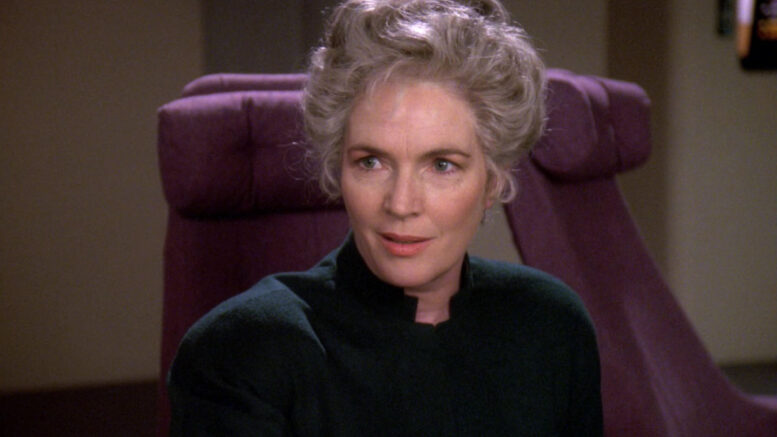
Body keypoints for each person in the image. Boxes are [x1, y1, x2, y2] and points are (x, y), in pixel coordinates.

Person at [167, 0, 603, 435]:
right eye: (371, 162)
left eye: (442, 165)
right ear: (338, 168)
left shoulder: (550, 323)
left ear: (493, 181)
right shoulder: (240, 351)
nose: (401, 203)